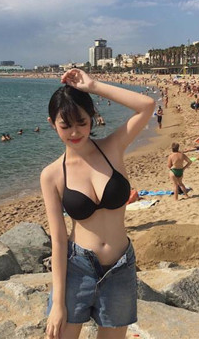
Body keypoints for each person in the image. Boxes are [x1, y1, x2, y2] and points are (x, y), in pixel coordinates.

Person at [41, 68, 155, 339]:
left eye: (82, 122)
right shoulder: (52, 175)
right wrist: (58, 303)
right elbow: (58, 240)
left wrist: (93, 85)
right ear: (52, 124)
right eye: (65, 126)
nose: (75, 132)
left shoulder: (113, 147)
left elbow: (147, 105)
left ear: (92, 118)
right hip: (77, 267)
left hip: (120, 266)